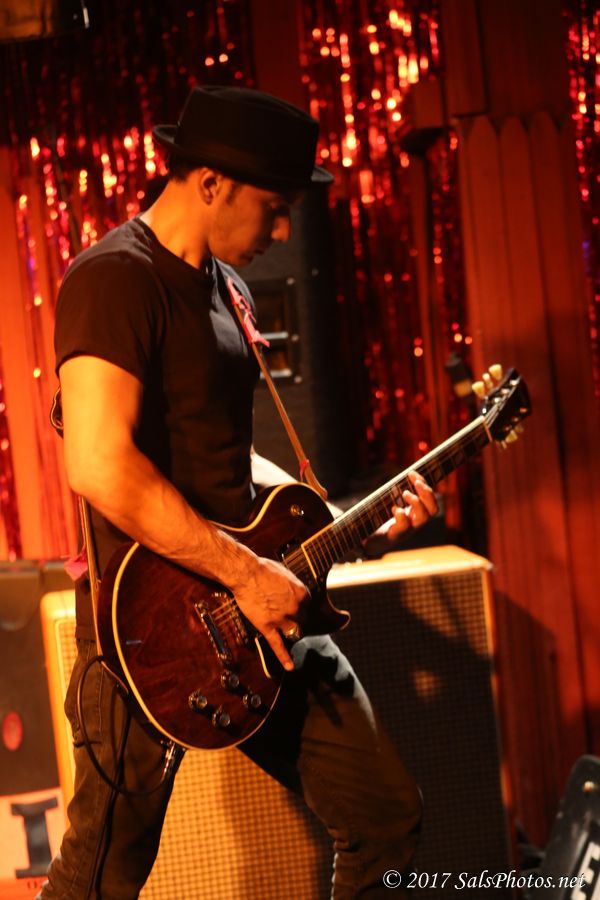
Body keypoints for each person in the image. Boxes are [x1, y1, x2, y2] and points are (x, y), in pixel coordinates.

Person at [40, 85, 438, 899]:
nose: (284, 232)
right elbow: (99, 464)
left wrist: (351, 521)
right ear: (211, 182)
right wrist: (246, 573)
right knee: (98, 881)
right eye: (274, 208)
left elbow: (230, 458)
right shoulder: (114, 280)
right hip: (145, 631)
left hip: (257, 618)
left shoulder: (230, 291)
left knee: (385, 819)